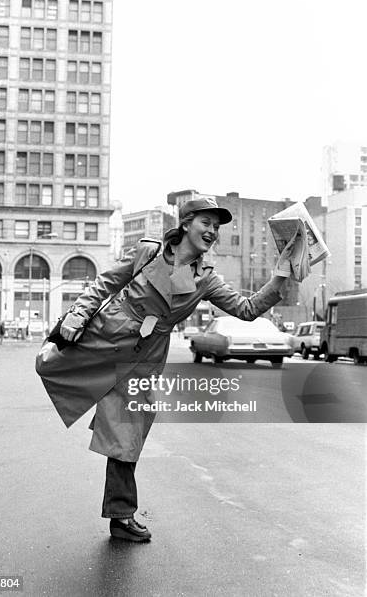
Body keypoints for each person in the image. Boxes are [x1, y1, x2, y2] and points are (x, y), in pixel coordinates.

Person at [37, 197, 292, 542]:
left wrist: (279, 278)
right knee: (51, 364)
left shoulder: (206, 279)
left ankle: (121, 514)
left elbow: (246, 309)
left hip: (144, 356)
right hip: (107, 336)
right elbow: (104, 285)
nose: (213, 232)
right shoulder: (147, 253)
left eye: (217, 227)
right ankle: (121, 514)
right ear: (186, 223)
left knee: (125, 433)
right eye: (206, 223)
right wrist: (79, 314)